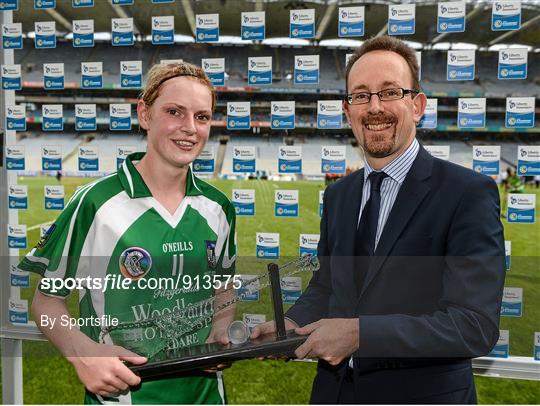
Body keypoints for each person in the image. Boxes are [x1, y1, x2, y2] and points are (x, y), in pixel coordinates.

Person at [252, 36, 505, 404]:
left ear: (417, 105)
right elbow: (327, 287)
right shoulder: (339, 196)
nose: (374, 107)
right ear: (347, 110)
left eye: (389, 92)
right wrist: (291, 325)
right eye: (361, 95)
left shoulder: (467, 193)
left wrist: (360, 335)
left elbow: (474, 326)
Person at [19, 62, 236, 404]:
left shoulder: (218, 208)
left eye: (202, 117)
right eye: (174, 112)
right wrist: (82, 352)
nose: (190, 128)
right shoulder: (95, 203)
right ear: (145, 114)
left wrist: (222, 326)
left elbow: (223, 288)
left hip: (206, 395)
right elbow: (46, 302)